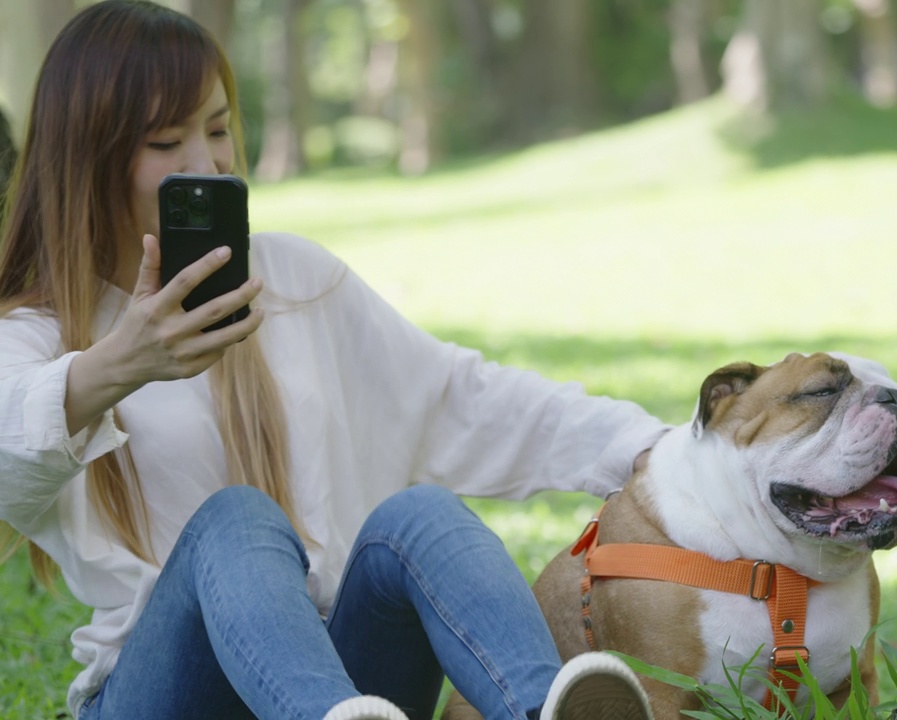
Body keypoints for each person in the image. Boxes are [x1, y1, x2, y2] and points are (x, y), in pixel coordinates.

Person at [0, 2, 665, 719]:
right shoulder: (36, 334)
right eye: (167, 140)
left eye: (219, 129)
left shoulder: (294, 281)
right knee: (237, 520)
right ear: (90, 157)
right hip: (166, 695)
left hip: (353, 684)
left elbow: (459, 398)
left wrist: (649, 449)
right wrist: (116, 366)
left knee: (420, 515)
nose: (208, 163)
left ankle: (542, 710)